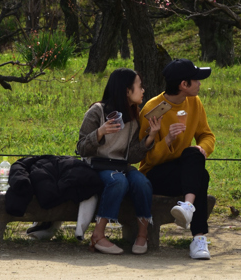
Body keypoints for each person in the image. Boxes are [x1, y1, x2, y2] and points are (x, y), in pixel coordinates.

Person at [76, 68, 162, 255]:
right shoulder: (96, 111)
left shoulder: (133, 116)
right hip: (97, 165)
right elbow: (81, 147)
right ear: (126, 90)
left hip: (120, 165)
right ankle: (98, 235)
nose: (143, 90)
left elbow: (131, 156)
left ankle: (142, 234)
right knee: (117, 181)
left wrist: (150, 137)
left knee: (142, 183)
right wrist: (100, 132)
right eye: (139, 86)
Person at [139, 58, 217, 260]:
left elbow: (207, 135)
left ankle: (189, 211)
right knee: (202, 176)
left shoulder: (195, 102)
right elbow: (146, 156)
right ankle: (198, 238)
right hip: (154, 175)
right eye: (196, 80)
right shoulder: (152, 109)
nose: (200, 83)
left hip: (184, 170)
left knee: (194, 156)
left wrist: (202, 148)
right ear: (184, 85)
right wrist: (167, 139)